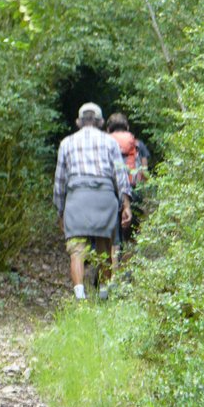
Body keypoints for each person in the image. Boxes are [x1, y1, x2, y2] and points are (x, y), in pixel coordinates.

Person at [53, 102, 131, 300]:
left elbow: (60, 181)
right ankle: (103, 294)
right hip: (104, 199)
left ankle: (80, 296)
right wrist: (126, 204)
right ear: (100, 122)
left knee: (77, 250)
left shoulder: (66, 143)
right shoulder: (110, 142)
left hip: (76, 199)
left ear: (78, 122)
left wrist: (60, 210)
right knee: (105, 247)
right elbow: (120, 175)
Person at [104, 112, 150, 247]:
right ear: (127, 127)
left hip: (110, 189)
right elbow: (144, 169)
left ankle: (113, 258)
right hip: (133, 188)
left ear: (108, 129)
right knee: (132, 232)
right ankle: (129, 259)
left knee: (112, 232)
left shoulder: (104, 143)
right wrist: (144, 189)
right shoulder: (137, 144)